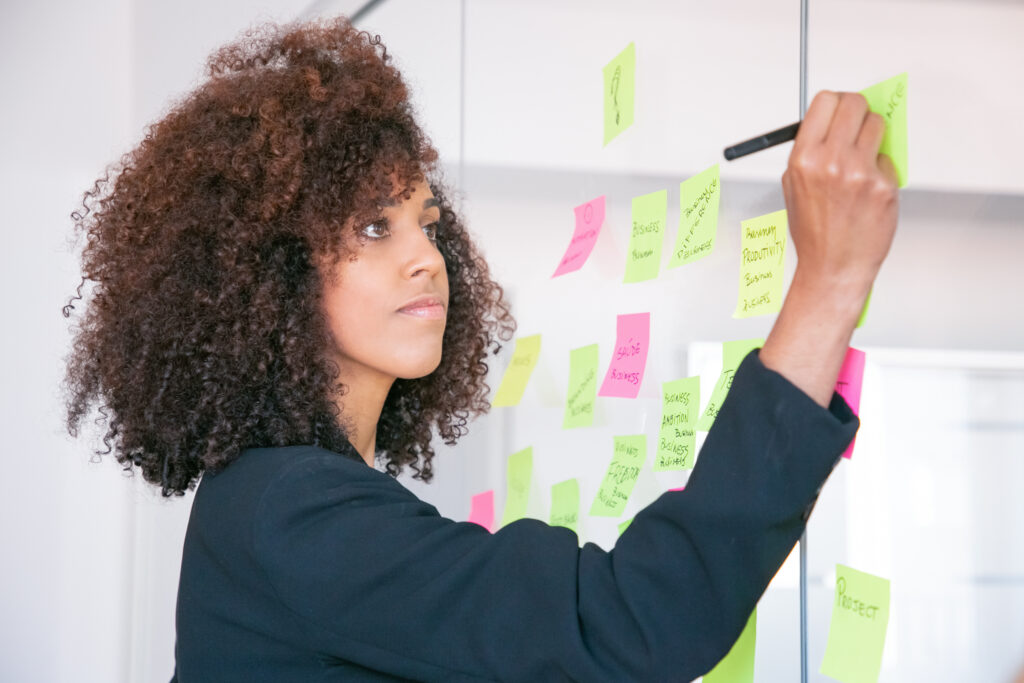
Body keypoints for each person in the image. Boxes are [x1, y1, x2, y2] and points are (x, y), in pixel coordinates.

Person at [62, 17, 898, 683]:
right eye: (373, 226)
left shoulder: (286, 498)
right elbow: (638, 619)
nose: (426, 257)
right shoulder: (287, 508)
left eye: (426, 223)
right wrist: (829, 279)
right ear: (269, 268)